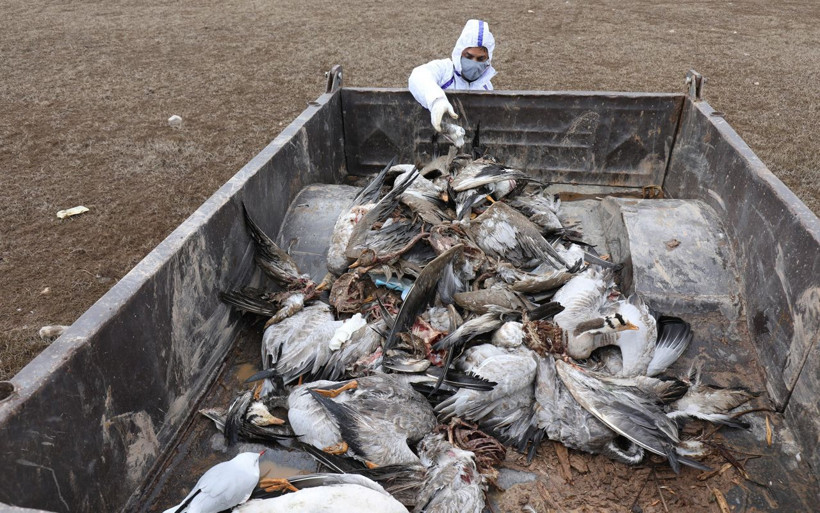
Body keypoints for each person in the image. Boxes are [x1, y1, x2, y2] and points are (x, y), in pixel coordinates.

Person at [409, 19, 496, 133]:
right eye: (468, 57)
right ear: (459, 52)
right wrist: (437, 101)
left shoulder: (486, 87)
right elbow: (418, 76)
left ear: (488, 59)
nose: (474, 63)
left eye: (480, 59)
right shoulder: (445, 70)